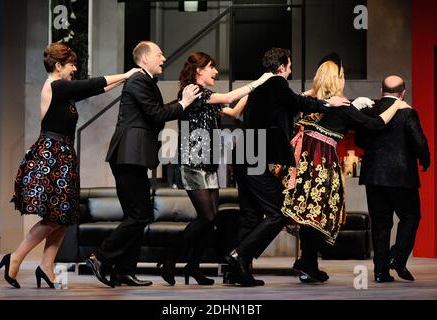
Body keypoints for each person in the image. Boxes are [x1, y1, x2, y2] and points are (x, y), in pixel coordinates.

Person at [0, 43, 140, 289]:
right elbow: (91, 83)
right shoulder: (56, 86)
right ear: (59, 66)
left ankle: (47, 265)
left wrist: (124, 81)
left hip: (63, 156)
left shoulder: (64, 90)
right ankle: (16, 257)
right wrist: (128, 74)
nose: (74, 69)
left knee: (63, 216)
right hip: (52, 156)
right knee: (54, 217)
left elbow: (97, 89)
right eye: (71, 64)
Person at [224, 48, 351, 287]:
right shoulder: (276, 83)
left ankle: (235, 272)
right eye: (289, 65)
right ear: (281, 66)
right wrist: (327, 102)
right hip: (255, 156)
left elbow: (291, 103)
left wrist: (312, 94)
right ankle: (238, 256)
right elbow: (296, 101)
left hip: (244, 154)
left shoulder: (262, 87)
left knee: (251, 216)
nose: (291, 69)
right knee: (279, 212)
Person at [280, 54, 411, 283]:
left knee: (308, 214)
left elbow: (300, 101)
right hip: (321, 163)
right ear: (337, 79)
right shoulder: (342, 107)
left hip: (301, 163)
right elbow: (376, 124)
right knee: (319, 214)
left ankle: (308, 263)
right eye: (341, 75)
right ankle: (307, 262)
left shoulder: (310, 103)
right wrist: (397, 104)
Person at [85, 41, 200, 288]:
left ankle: (124, 271)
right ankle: (101, 257)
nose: (164, 58)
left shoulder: (145, 81)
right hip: (129, 155)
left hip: (133, 155)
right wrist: (184, 102)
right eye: (159, 54)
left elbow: (154, 113)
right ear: (144, 58)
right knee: (141, 214)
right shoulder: (138, 80)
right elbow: (156, 114)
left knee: (135, 214)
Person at [160, 52, 273, 286]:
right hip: (192, 163)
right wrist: (260, 81)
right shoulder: (193, 92)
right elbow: (230, 95)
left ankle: (193, 267)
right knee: (207, 216)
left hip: (209, 164)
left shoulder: (208, 97)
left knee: (211, 220)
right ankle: (169, 260)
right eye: (211, 67)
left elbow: (232, 111)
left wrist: (252, 92)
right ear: (199, 71)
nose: (215, 72)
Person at [355, 75, 430, 283]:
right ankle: (397, 258)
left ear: (381, 91)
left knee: (381, 223)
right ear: (403, 93)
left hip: (373, 175)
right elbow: (419, 142)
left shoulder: (370, 111)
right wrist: (425, 160)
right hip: (401, 176)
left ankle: (380, 272)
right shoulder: (407, 112)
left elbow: (360, 139)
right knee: (411, 216)